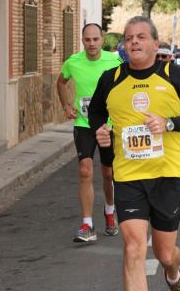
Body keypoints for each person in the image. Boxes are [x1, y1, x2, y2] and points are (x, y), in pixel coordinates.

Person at [89, 16, 180, 291]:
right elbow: (96, 111)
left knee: (165, 253)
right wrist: (100, 129)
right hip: (128, 177)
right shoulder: (111, 79)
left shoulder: (172, 74)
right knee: (133, 248)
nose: (134, 41)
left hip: (167, 176)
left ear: (156, 44)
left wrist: (169, 123)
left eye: (141, 36)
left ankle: (174, 273)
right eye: (129, 37)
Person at [57, 23, 123, 242]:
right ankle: (87, 224)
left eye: (95, 39)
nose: (91, 44)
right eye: (87, 40)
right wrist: (66, 105)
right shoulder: (73, 62)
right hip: (84, 124)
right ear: (82, 40)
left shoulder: (114, 61)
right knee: (85, 170)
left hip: (109, 125)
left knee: (108, 173)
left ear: (102, 40)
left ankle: (110, 210)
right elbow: (61, 81)